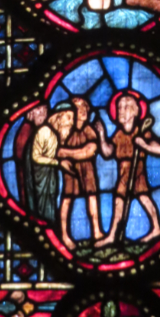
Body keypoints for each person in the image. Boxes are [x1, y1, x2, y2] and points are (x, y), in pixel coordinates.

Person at [95, 92, 160, 247]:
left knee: (142, 198)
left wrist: (144, 145)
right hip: (123, 172)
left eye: (126, 107)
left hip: (136, 171)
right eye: (119, 107)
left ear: (135, 111)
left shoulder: (141, 131)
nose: (121, 110)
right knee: (123, 201)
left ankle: (156, 228)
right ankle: (113, 234)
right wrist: (101, 136)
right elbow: (107, 152)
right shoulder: (119, 134)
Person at [56, 97, 104, 248]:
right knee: (67, 198)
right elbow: (56, 151)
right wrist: (68, 153)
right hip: (70, 169)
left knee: (92, 197)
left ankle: (96, 232)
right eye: (78, 108)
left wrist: (66, 153)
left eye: (85, 107)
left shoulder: (89, 130)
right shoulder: (65, 131)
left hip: (87, 168)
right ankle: (64, 235)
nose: (83, 110)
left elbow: (89, 151)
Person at [30, 105, 74, 223]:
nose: (71, 122)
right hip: (42, 176)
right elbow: (35, 157)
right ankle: (47, 223)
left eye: (73, 119)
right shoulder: (44, 131)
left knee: (52, 201)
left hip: (51, 175)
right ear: (58, 117)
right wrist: (58, 163)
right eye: (69, 117)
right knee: (45, 205)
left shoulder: (56, 135)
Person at [14, 102, 48, 213]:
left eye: (45, 109)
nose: (42, 113)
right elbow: (20, 156)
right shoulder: (25, 131)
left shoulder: (46, 131)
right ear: (30, 113)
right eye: (38, 109)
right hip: (31, 186)